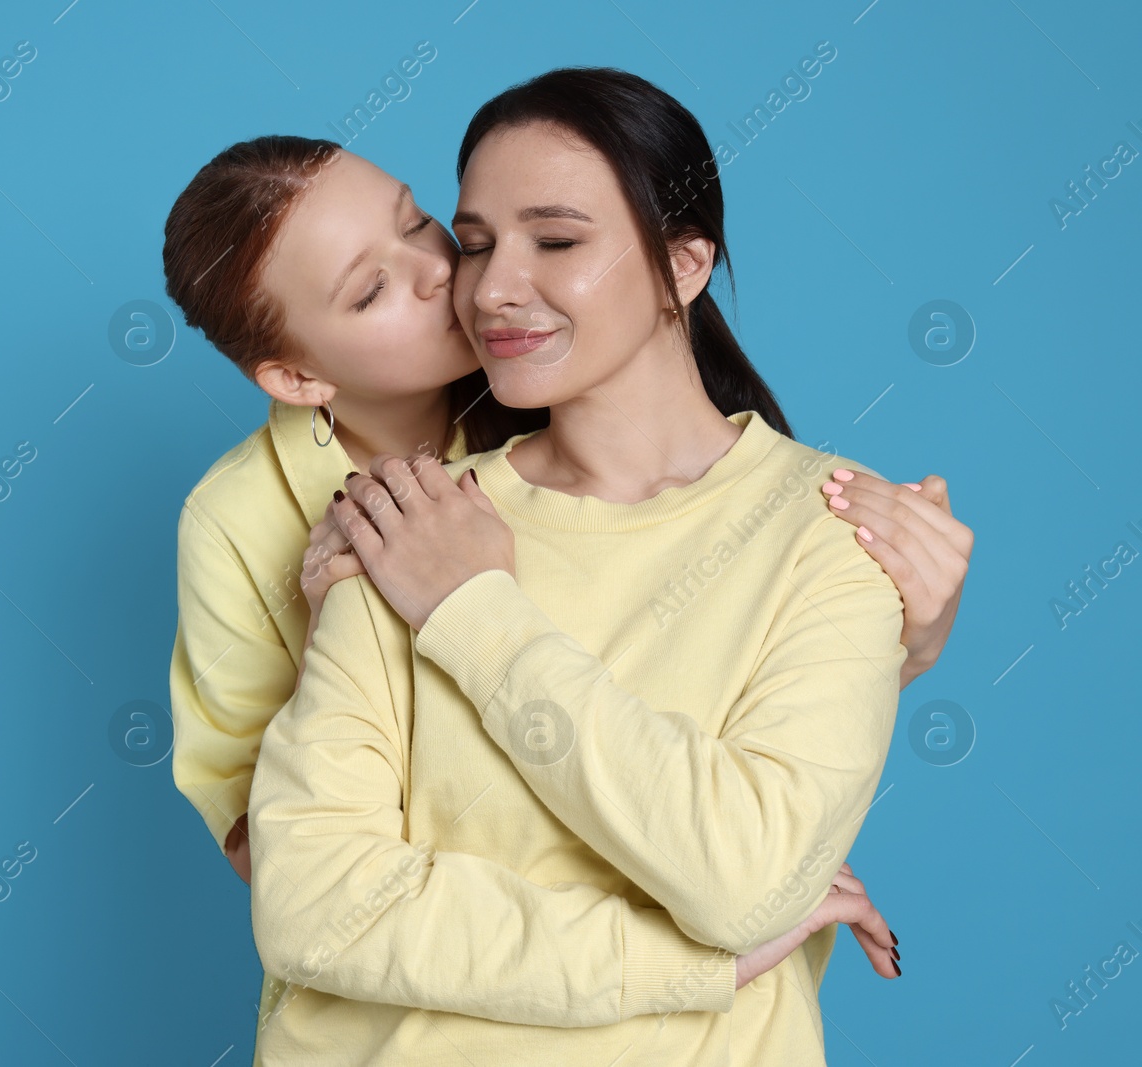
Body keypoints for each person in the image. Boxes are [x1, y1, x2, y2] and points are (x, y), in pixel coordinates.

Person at [244, 67, 966, 1065]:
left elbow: (742, 880)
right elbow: (314, 908)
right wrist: (686, 962)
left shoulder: (836, 522)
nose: (491, 287)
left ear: (683, 264)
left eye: (557, 239)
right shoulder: (411, 517)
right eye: (477, 242)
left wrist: (472, 608)